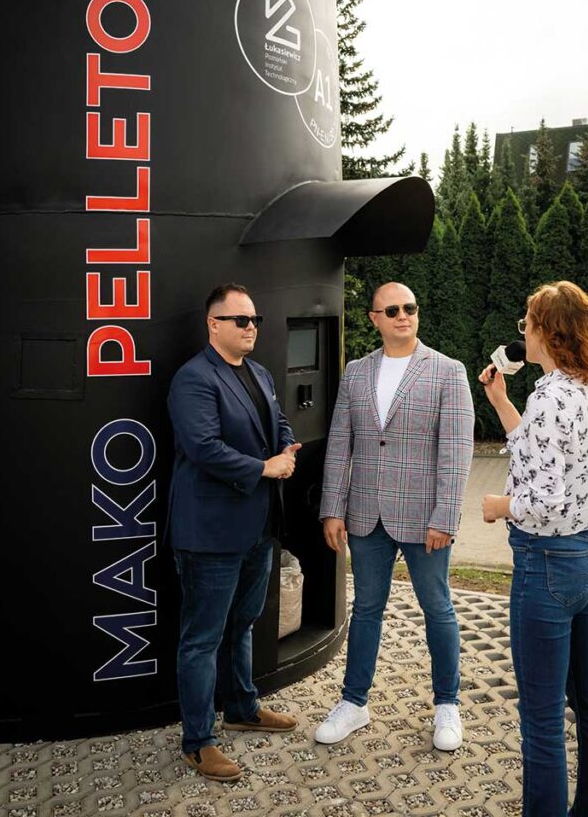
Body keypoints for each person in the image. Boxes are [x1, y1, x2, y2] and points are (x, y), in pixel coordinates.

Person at [479, 280, 588, 817]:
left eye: (527, 323)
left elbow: (543, 501)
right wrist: (501, 402)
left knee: (541, 719)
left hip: (549, 567)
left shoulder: (549, 397)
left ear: (547, 332)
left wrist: (498, 505)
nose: (524, 332)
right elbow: (542, 456)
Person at [315, 282, 474, 750]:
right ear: (374, 319)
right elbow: (340, 444)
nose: (403, 315)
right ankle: (354, 702)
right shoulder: (356, 372)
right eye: (392, 310)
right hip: (366, 515)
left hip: (425, 519)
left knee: (437, 608)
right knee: (366, 608)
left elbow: (457, 451)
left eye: (410, 307)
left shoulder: (448, 371)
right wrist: (332, 508)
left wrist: (446, 515)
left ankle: (447, 705)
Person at [167, 283, 301, 781]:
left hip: (257, 528)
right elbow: (202, 447)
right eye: (240, 320)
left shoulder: (259, 373)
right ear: (213, 324)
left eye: (254, 320)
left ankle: (242, 708)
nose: (250, 328)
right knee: (201, 640)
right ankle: (198, 742)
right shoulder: (194, 378)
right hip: (209, 534)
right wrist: (264, 468)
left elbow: (279, 423)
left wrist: (286, 450)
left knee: (242, 624)